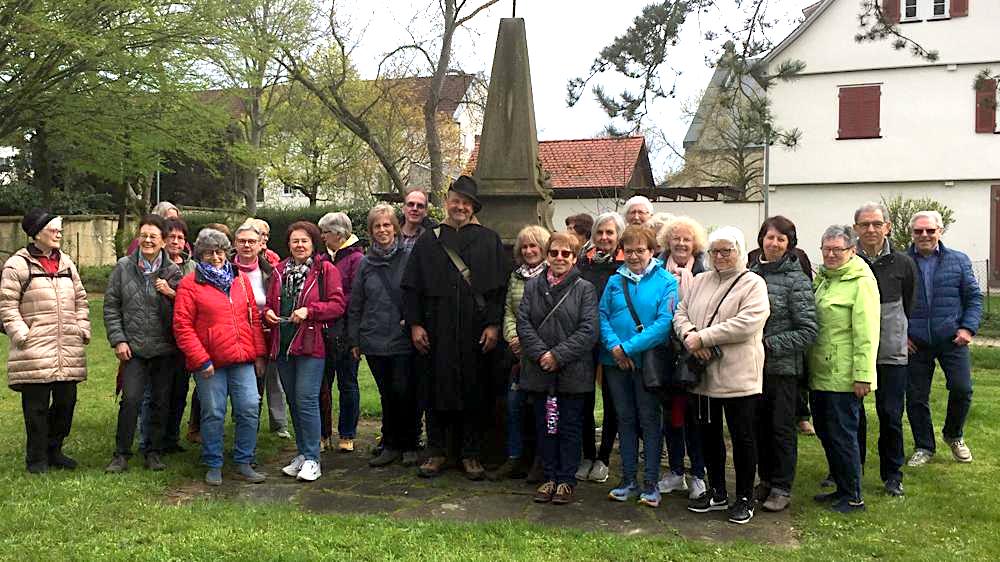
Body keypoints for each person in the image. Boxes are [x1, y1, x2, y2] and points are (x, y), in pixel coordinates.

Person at [402, 175, 508, 480]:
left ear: (473, 207)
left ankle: (471, 453)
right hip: (437, 327)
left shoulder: (489, 239)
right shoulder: (429, 239)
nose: (459, 207)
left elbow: (499, 289)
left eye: (466, 203)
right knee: (436, 388)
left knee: (474, 389)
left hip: (476, 329)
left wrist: (493, 325)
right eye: (455, 201)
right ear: (447, 203)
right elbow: (411, 286)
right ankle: (437, 450)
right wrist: (415, 324)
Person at [675, 226, 769, 525]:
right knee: (708, 435)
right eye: (715, 251)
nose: (720, 256)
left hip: (739, 376)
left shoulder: (753, 284)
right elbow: (681, 312)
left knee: (743, 438)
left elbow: (748, 323)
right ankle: (717, 491)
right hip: (704, 377)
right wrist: (690, 334)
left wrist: (703, 338)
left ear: (739, 251)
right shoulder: (700, 281)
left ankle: (744, 497)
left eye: (727, 250)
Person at [172, 229, 268, 486]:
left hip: (242, 358)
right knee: (213, 412)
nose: (215, 257)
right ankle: (213, 462)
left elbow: (253, 320)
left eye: (220, 251)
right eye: (208, 253)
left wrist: (259, 354)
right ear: (200, 255)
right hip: (210, 363)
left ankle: (244, 461)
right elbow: (183, 326)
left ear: (227, 252)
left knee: (249, 407)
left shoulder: (241, 280)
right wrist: (200, 359)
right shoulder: (189, 284)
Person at [0, 210, 90, 474]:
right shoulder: (17, 265)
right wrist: (21, 334)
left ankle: (54, 450)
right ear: (37, 233)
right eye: (54, 229)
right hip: (34, 349)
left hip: (67, 348)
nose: (59, 234)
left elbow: (81, 300)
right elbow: (6, 306)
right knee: (36, 408)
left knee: (66, 403)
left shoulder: (67, 263)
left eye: (60, 229)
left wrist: (82, 327)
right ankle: (36, 459)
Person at [517, 231, 599, 505]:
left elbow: (588, 330)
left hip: (572, 373)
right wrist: (542, 354)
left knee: (570, 427)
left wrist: (557, 355)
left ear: (574, 257)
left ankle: (566, 480)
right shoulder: (532, 286)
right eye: (554, 253)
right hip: (541, 371)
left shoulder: (584, 289)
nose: (560, 258)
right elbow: (523, 324)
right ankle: (549, 477)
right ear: (547, 255)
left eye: (566, 253)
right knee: (547, 426)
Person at [599, 225, 677, 508]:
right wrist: (614, 348)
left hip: (647, 364)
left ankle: (651, 482)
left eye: (639, 250)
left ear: (652, 250)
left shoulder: (667, 281)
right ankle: (628, 479)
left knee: (649, 421)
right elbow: (602, 316)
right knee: (625, 420)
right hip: (614, 363)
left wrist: (628, 348)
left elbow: (663, 324)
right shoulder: (613, 281)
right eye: (628, 250)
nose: (633, 256)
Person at [264, 222, 346, 482]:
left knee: (307, 399)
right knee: (293, 400)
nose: (299, 245)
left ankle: (313, 458)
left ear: (313, 244)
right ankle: (301, 453)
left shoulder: (325, 270)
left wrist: (310, 311)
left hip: (312, 344)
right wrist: (267, 313)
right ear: (288, 244)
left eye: (304, 241)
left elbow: (337, 305)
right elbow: (268, 302)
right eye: (294, 241)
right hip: (283, 344)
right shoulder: (278, 271)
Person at [748, 216, 818, 512]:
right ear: (761, 239)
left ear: (789, 244)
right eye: (769, 237)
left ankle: (782, 486)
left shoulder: (797, 279)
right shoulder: (750, 274)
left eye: (780, 239)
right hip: (752, 368)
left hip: (782, 369)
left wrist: (769, 345)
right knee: (758, 428)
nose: (773, 243)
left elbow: (808, 330)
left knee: (781, 429)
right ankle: (765, 480)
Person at [104, 214, 183, 473]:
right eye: (144, 235)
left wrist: (170, 294)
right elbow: (111, 307)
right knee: (131, 400)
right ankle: (120, 454)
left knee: (160, 402)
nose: (147, 240)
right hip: (133, 349)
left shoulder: (173, 271)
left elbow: (184, 311)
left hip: (164, 349)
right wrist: (119, 340)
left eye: (153, 236)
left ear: (163, 242)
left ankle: (153, 452)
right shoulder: (123, 267)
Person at [809, 225, 880, 514]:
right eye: (826, 249)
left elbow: (867, 332)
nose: (831, 254)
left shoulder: (861, 281)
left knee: (842, 435)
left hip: (843, 376)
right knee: (826, 433)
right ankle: (841, 486)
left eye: (838, 249)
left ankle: (853, 496)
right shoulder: (823, 280)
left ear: (852, 250)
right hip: (820, 372)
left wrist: (863, 374)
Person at [905, 210, 983, 466]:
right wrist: (901, 335)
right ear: (912, 233)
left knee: (962, 389)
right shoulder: (902, 261)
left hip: (952, 339)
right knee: (916, 397)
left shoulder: (958, 261)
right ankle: (924, 446)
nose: (924, 235)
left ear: (940, 231)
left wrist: (967, 328)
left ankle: (953, 434)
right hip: (915, 343)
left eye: (930, 230)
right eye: (918, 231)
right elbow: (891, 303)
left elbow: (973, 298)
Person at [348, 204, 420, 468]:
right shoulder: (365, 264)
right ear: (370, 231)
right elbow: (356, 303)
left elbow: (417, 293)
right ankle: (390, 444)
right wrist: (354, 340)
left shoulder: (410, 257)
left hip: (402, 337)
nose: (382, 230)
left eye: (387, 225)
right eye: (377, 226)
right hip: (374, 337)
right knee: (387, 393)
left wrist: (413, 319)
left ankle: (410, 443)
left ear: (395, 227)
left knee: (405, 390)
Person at [853, 202, 917, 496]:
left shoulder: (903, 263)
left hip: (891, 352)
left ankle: (893, 474)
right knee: (852, 415)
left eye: (876, 224)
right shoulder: (846, 258)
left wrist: (902, 334)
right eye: (864, 224)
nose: (871, 229)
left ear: (887, 227)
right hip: (854, 350)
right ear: (856, 229)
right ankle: (849, 468)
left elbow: (909, 303)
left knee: (891, 414)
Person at [654, 216, 709, 501]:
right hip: (666, 353)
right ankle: (676, 471)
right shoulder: (657, 268)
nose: (681, 243)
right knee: (671, 417)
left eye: (687, 239)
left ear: (695, 243)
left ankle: (698, 473)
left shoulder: (704, 270)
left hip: (693, 354)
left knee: (694, 418)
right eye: (676, 238)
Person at [491, 225, 551, 481]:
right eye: (524, 246)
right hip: (517, 355)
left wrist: (530, 345)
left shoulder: (552, 276)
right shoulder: (515, 276)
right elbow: (509, 311)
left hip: (541, 354)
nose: (529, 251)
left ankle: (541, 460)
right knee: (514, 406)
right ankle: (515, 457)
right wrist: (513, 338)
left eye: (533, 246)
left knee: (542, 411)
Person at [576, 212, 626, 484]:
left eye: (610, 233)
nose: (605, 237)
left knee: (611, 400)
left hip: (612, 341)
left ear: (618, 236)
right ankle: (586, 453)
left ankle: (604, 457)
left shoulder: (624, 266)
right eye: (600, 233)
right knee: (584, 398)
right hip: (585, 342)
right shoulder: (584, 264)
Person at [234, 222, 289, 439]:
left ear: (260, 245)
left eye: (252, 242)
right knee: (246, 387)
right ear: (235, 244)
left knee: (271, 380)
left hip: (268, 333)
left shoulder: (270, 271)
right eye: (242, 241)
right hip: (238, 335)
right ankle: (247, 429)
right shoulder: (227, 270)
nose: (247, 245)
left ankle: (275, 425)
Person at [317, 212, 364, 453]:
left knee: (347, 383)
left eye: (325, 232)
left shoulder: (356, 258)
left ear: (338, 234)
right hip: (323, 331)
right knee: (322, 385)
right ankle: (323, 434)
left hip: (346, 331)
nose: (322, 236)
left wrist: (329, 303)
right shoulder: (323, 257)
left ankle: (347, 433)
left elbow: (355, 296)